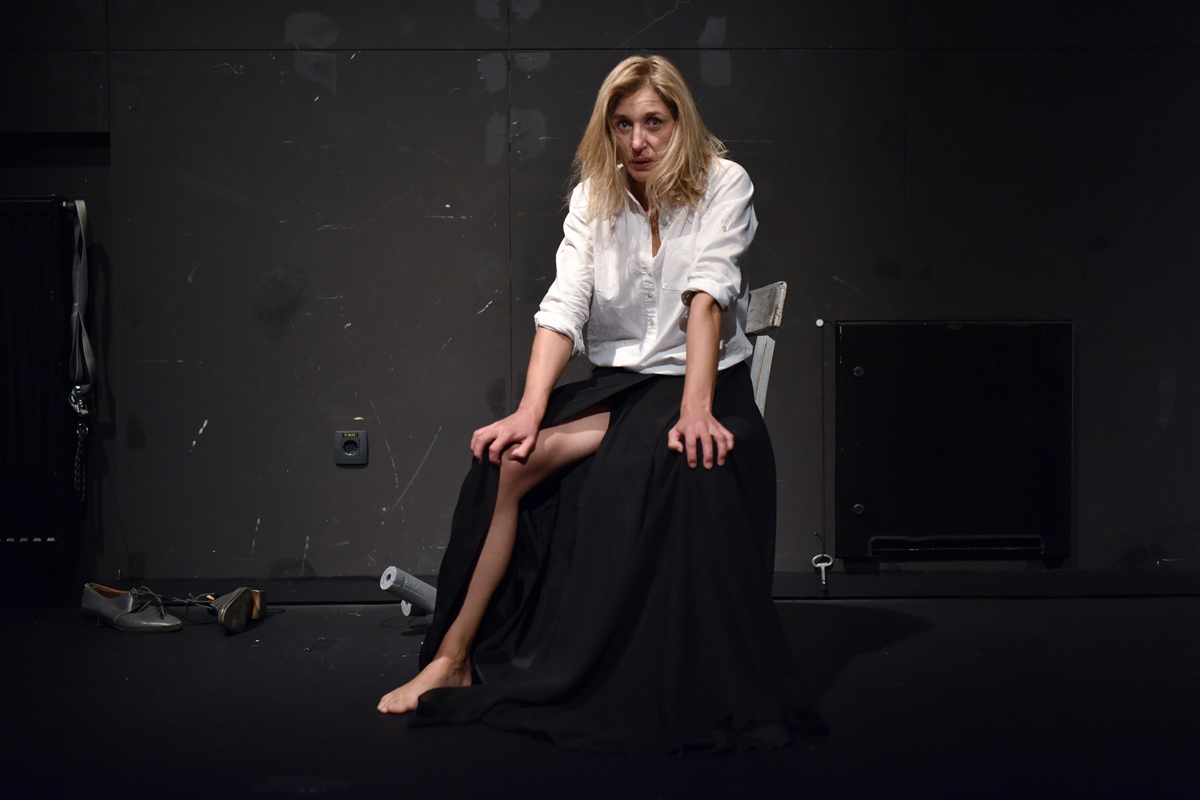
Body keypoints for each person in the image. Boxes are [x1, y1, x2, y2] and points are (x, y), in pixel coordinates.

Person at [377, 55, 822, 752]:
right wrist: (529, 410)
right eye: (623, 125)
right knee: (508, 461)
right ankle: (452, 658)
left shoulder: (723, 182)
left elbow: (707, 297)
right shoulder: (594, 197)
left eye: (654, 122)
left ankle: (616, 668)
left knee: (644, 469)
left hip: (703, 380)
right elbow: (564, 308)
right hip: (621, 387)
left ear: (680, 123)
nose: (638, 141)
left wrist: (697, 408)